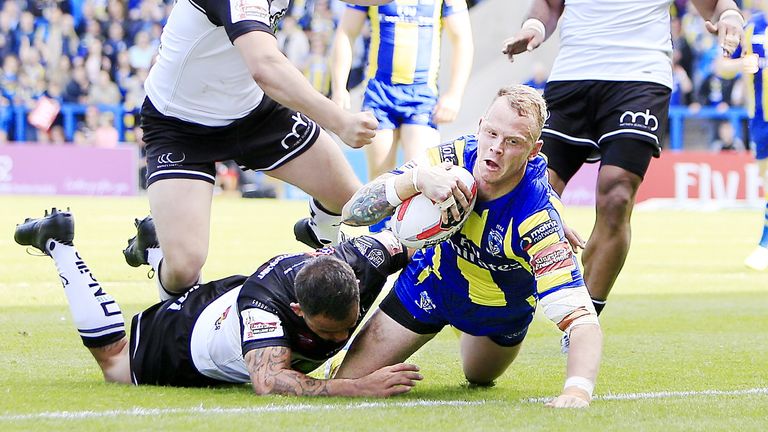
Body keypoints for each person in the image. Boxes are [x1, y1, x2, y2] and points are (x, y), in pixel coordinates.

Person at [334, 85, 603, 409]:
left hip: (498, 310)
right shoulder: (448, 159)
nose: (496, 148)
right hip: (429, 285)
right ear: (479, 126)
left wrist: (577, 391)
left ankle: (471, 336)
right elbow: (353, 212)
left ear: (534, 150)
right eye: (491, 133)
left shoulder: (538, 217)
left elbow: (580, 317)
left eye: (513, 142)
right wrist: (415, 180)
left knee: (478, 376)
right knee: (347, 381)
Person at [129, 0, 394, 301]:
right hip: (181, 125)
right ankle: (154, 250)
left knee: (349, 198)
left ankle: (320, 234)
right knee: (184, 269)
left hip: (254, 114)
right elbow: (265, 66)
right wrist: (340, 121)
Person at [13, 207, 421, 396]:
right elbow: (269, 382)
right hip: (190, 339)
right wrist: (356, 386)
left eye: (348, 325)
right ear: (298, 311)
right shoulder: (265, 308)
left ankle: (155, 248)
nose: (344, 337)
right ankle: (59, 242)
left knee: (186, 295)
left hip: (225, 300)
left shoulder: (363, 259)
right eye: (330, 332)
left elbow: (414, 237)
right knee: (115, 363)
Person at [502, 0, 745, 316]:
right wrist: (533, 27)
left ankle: (582, 319)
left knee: (617, 193)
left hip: (641, 77)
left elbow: (715, 5)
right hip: (573, 74)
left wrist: (729, 16)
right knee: (534, 190)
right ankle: (501, 303)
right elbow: (549, 5)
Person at [329, 0, 474, 231]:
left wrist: (455, 94)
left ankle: (411, 249)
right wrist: (339, 88)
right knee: (380, 181)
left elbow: (462, 39)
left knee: (422, 178)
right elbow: (346, 31)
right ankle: (375, 244)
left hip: (422, 97)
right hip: (379, 95)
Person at [716, 9, 768, 270]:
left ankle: (765, 244)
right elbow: (721, 67)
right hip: (760, 118)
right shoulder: (750, 27)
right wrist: (742, 64)